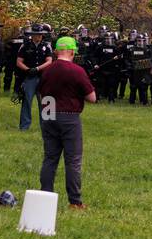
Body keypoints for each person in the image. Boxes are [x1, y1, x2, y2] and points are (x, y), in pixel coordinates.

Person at [37, 36, 97, 210]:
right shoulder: (76, 70)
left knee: (50, 157)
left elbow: (41, 91)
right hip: (68, 116)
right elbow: (92, 98)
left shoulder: (47, 70)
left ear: (56, 51)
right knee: (72, 160)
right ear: (72, 51)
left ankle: (45, 195)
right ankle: (75, 201)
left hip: (48, 114)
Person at [17, 24, 54, 131]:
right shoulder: (25, 46)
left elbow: (49, 61)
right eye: (34, 34)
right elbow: (19, 62)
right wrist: (27, 70)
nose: (37, 36)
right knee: (26, 101)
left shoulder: (47, 46)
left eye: (39, 34)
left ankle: (47, 127)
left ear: (42, 35)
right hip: (29, 77)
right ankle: (24, 126)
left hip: (43, 77)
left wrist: (37, 69)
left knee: (46, 101)